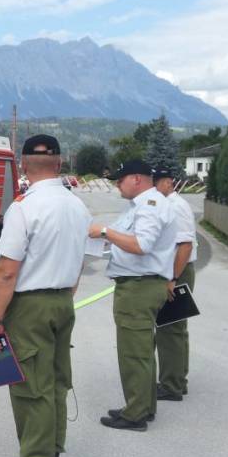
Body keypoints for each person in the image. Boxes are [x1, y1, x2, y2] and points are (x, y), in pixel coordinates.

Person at [0, 135, 91, 457]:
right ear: (60, 164)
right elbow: (79, 261)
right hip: (62, 301)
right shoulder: (78, 206)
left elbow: (6, 272)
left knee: (31, 387)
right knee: (57, 384)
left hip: (29, 306)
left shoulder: (24, 207)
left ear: (23, 165)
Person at [89, 159, 176, 431]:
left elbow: (141, 245)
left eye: (120, 179)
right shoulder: (140, 205)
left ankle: (135, 413)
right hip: (141, 284)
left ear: (136, 179)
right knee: (141, 351)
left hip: (139, 287)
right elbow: (126, 240)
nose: (117, 185)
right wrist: (108, 237)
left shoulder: (149, 206)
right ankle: (144, 406)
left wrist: (105, 231)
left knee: (133, 353)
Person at [152, 168, 196, 402]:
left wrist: (173, 279)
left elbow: (185, 245)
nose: (154, 186)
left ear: (169, 182)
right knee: (176, 328)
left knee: (169, 330)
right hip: (177, 271)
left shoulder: (175, 206)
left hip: (178, 271)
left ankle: (171, 385)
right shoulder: (169, 203)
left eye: (157, 181)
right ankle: (178, 379)